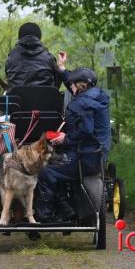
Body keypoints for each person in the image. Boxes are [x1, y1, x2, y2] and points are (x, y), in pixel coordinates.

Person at [35, 67, 111, 223]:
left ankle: (46, 216)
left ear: (79, 85)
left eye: (72, 84)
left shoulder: (81, 103)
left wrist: (65, 138)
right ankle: (67, 208)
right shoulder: (98, 96)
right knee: (57, 163)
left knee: (45, 170)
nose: (71, 87)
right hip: (98, 155)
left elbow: (86, 129)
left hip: (83, 158)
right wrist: (62, 70)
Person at [5, 22, 64, 92]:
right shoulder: (48, 58)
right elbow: (57, 83)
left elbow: (9, 79)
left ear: (19, 38)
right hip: (45, 101)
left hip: (17, 102)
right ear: (39, 37)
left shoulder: (11, 58)